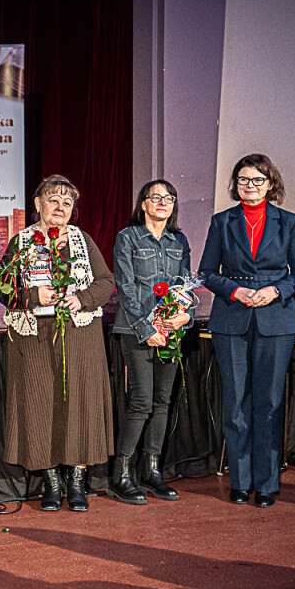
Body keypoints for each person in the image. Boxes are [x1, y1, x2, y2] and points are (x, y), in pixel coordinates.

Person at [198, 154, 295, 507]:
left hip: (276, 318)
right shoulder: (221, 222)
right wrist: (235, 290)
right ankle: (240, 480)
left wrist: (275, 290)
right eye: (244, 180)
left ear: (270, 184)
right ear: (235, 184)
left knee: (269, 404)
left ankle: (265, 484)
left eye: (258, 180)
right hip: (232, 317)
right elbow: (206, 271)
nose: (250, 186)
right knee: (235, 404)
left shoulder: (290, 222)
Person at [2, 175, 116, 511]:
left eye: (67, 203)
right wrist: (33, 295)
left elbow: (106, 282)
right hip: (35, 337)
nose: (60, 207)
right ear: (37, 203)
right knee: (41, 403)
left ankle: (77, 482)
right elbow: (1, 289)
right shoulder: (20, 242)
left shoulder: (83, 241)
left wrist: (82, 298)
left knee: (79, 403)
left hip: (80, 335)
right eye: (54, 200)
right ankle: (51, 481)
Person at [109, 179, 192, 504]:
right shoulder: (127, 238)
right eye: (154, 197)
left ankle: (152, 471)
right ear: (143, 204)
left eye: (168, 197)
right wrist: (147, 329)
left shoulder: (178, 239)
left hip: (171, 330)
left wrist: (182, 316)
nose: (162, 202)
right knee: (142, 402)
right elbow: (126, 289)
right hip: (135, 331)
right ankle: (122, 475)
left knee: (162, 402)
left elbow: (183, 285)